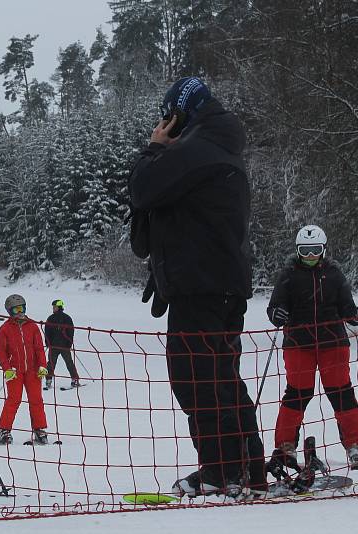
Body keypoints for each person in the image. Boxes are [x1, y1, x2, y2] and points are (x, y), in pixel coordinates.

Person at [129, 77, 265, 497]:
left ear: (178, 114)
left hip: (200, 286)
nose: (163, 125)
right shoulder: (217, 146)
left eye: (166, 117)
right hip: (218, 284)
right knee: (223, 377)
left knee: (196, 378)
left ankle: (220, 472)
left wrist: (154, 146)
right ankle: (247, 468)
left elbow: (142, 187)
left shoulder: (196, 148)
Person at [266, 225, 358, 473]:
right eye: (305, 251)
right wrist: (277, 314)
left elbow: (346, 306)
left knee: (340, 391)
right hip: (299, 343)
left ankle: (355, 444)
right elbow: (274, 307)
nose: (310, 256)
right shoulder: (288, 275)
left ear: (323, 250)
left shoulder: (333, 274)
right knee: (298, 393)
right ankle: (285, 445)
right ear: (298, 251)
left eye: (315, 250)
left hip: (332, 342)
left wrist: (354, 316)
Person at [0, 294, 49, 445]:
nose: (20, 311)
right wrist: (6, 368)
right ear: (9, 311)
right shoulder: (5, 328)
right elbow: (1, 351)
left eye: (22, 308)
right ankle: (5, 431)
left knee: (36, 400)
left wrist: (43, 366)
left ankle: (39, 429)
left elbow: (39, 348)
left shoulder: (32, 326)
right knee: (13, 399)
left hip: (33, 370)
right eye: (16, 309)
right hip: (14, 371)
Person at [44, 298, 79, 390]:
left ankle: (73, 380)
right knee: (53, 363)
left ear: (59, 307)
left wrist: (69, 344)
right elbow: (47, 332)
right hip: (56, 346)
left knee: (65, 363)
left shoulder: (65, 318)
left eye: (55, 307)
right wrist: (48, 342)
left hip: (62, 346)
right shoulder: (52, 318)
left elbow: (70, 331)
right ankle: (49, 380)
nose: (53, 308)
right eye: (53, 307)